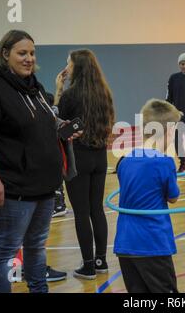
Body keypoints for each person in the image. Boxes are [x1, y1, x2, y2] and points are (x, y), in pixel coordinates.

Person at [0, 30, 81, 293]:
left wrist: (63, 128)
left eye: (32, 53)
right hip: (13, 189)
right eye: (22, 53)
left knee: (37, 246)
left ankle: (38, 289)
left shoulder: (35, 88)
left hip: (43, 187)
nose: (29, 59)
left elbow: (45, 124)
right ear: (5, 54)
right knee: (6, 251)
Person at [55, 49, 115, 279]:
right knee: (96, 209)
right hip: (100, 158)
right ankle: (101, 261)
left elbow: (59, 125)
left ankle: (88, 265)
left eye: (68, 63)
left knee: (81, 213)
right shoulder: (104, 93)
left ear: (77, 67)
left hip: (78, 159)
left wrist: (59, 90)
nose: (66, 67)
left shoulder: (70, 95)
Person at [114, 99, 181, 293]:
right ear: (169, 132)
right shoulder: (164, 162)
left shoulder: (124, 161)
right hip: (152, 243)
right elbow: (173, 197)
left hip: (126, 243)